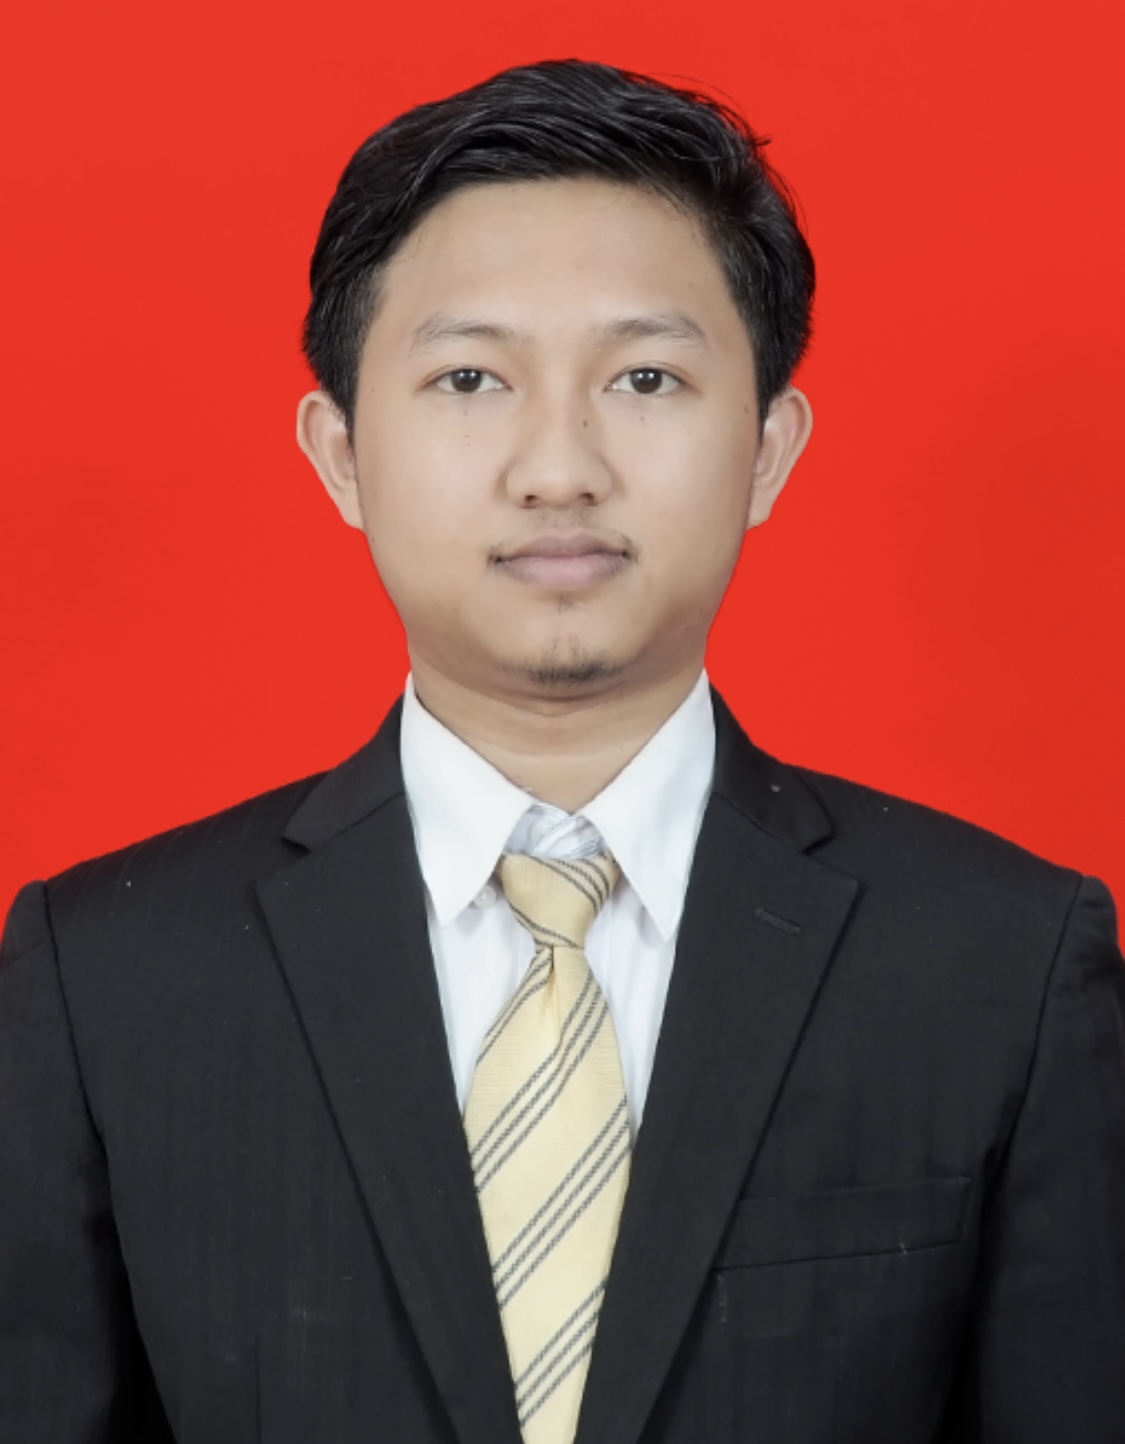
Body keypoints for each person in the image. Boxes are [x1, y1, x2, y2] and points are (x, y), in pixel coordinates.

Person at [1, 57, 1122, 1444]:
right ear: (340, 452)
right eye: (469, 377)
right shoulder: (107, 978)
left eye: (645, 376)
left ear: (767, 449)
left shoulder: (1003, 965)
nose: (558, 468)